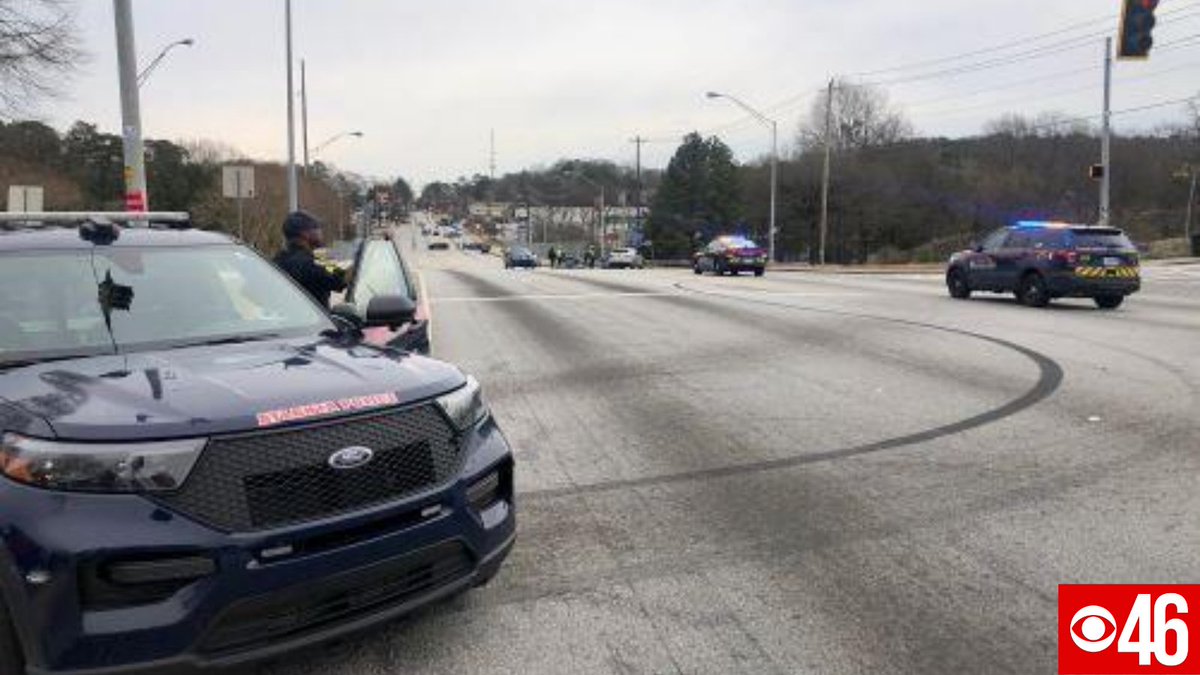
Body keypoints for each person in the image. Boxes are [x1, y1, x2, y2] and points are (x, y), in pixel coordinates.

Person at [273, 210, 350, 307]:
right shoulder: (312, 264)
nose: (320, 232)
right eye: (316, 228)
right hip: (314, 320)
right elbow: (338, 284)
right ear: (305, 234)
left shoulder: (276, 261)